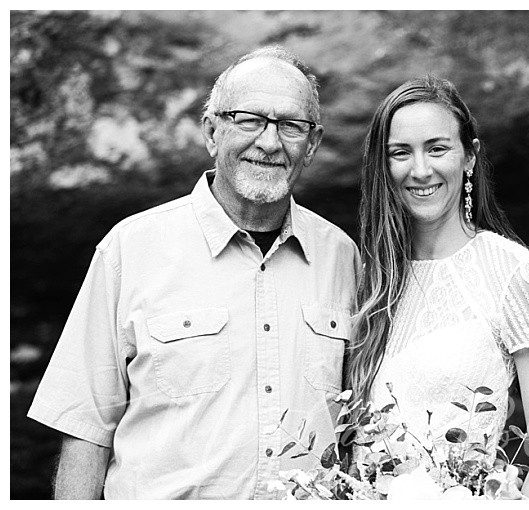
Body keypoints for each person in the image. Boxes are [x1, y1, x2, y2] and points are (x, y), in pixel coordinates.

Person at [26, 46, 357, 499]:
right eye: (248, 119)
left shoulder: (342, 257)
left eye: (291, 126)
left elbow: (356, 429)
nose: (269, 141)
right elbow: (87, 428)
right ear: (211, 132)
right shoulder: (130, 247)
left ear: (313, 144)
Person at [343, 77, 529, 500]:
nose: (420, 170)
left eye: (437, 148)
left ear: (469, 156)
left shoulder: (518, 274)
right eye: (400, 153)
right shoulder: (367, 279)